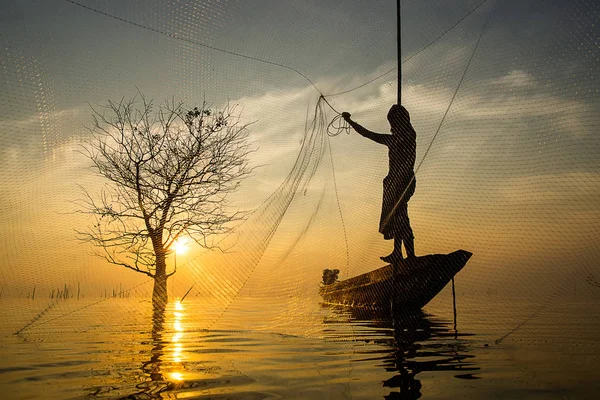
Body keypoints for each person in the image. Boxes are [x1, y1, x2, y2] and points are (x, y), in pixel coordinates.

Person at [342, 105, 416, 262]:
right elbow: (367, 134)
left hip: (404, 182)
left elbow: (403, 140)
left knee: (401, 216)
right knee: (399, 217)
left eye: (396, 122)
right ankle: (399, 253)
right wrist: (350, 121)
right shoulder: (391, 139)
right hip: (392, 184)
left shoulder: (409, 136)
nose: (393, 126)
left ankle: (407, 255)